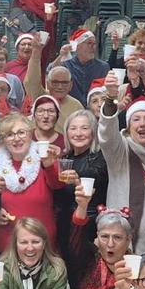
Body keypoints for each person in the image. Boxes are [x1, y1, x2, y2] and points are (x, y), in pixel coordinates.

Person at [97, 95, 145, 253]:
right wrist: (111, 102)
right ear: (128, 127)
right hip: (124, 250)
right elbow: (107, 136)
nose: (142, 123)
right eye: (136, 119)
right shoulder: (120, 151)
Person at [0, 113, 65, 255]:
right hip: (6, 243)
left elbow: (58, 186)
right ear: (3, 140)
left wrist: (49, 166)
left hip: (41, 242)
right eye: (9, 135)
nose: (16, 138)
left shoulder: (45, 159)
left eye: (21, 132)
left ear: (30, 135)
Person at [54, 109, 106, 272]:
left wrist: (78, 182)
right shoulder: (66, 159)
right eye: (73, 128)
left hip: (89, 226)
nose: (78, 133)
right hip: (64, 225)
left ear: (93, 131)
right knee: (71, 276)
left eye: (84, 128)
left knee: (89, 276)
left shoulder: (101, 157)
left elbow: (97, 178)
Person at [51, 27, 109, 101]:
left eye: (94, 44)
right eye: (89, 43)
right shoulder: (67, 64)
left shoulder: (103, 67)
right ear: (78, 46)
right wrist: (61, 56)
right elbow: (51, 73)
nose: (93, 47)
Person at [25, 65, 84, 133]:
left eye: (64, 83)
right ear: (47, 83)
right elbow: (31, 82)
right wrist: (35, 57)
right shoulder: (41, 97)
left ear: (70, 85)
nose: (60, 87)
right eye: (55, 82)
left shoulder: (76, 106)